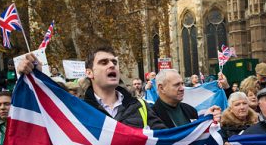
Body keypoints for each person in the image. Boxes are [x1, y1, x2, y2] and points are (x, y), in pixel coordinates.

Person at [18, 45, 166, 130]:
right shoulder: (78, 109)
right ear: (89, 73)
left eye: (114, 62)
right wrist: (35, 76)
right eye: (103, 62)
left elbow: (166, 142)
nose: (111, 65)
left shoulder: (140, 106)